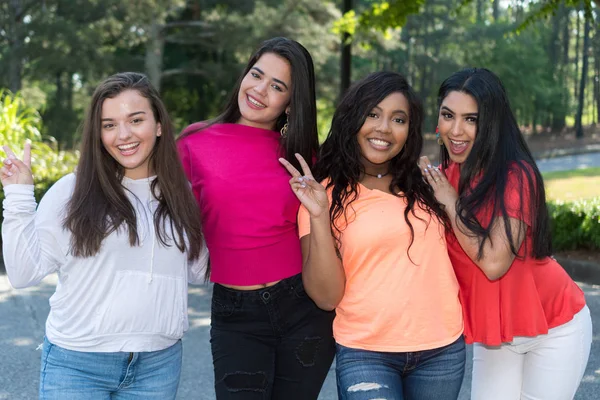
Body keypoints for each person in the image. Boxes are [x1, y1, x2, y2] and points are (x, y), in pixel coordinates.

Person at [1, 72, 209, 400]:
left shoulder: (182, 195)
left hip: (158, 365)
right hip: (77, 365)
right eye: (109, 124)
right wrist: (18, 197)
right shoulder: (72, 191)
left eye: (135, 120)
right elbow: (23, 274)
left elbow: (198, 272)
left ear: (158, 125)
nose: (123, 135)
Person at [280, 71, 465, 400]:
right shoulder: (322, 195)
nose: (384, 128)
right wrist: (320, 215)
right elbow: (326, 297)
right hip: (366, 352)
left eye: (398, 119)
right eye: (373, 114)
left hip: (441, 350)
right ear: (352, 118)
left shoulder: (427, 184)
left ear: (409, 130)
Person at [177, 37, 335, 399]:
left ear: (291, 103)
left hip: (303, 307)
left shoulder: (304, 156)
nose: (260, 90)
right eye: (256, 75)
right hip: (236, 313)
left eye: (277, 86)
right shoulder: (194, 142)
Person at [420, 67, 592, 400]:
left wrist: (452, 205)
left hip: (555, 328)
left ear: (492, 123)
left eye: (472, 119)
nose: (456, 130)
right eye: (448, 115)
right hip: (496, 333)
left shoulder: (515, 176)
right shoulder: (440, 179)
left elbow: (495, 262)